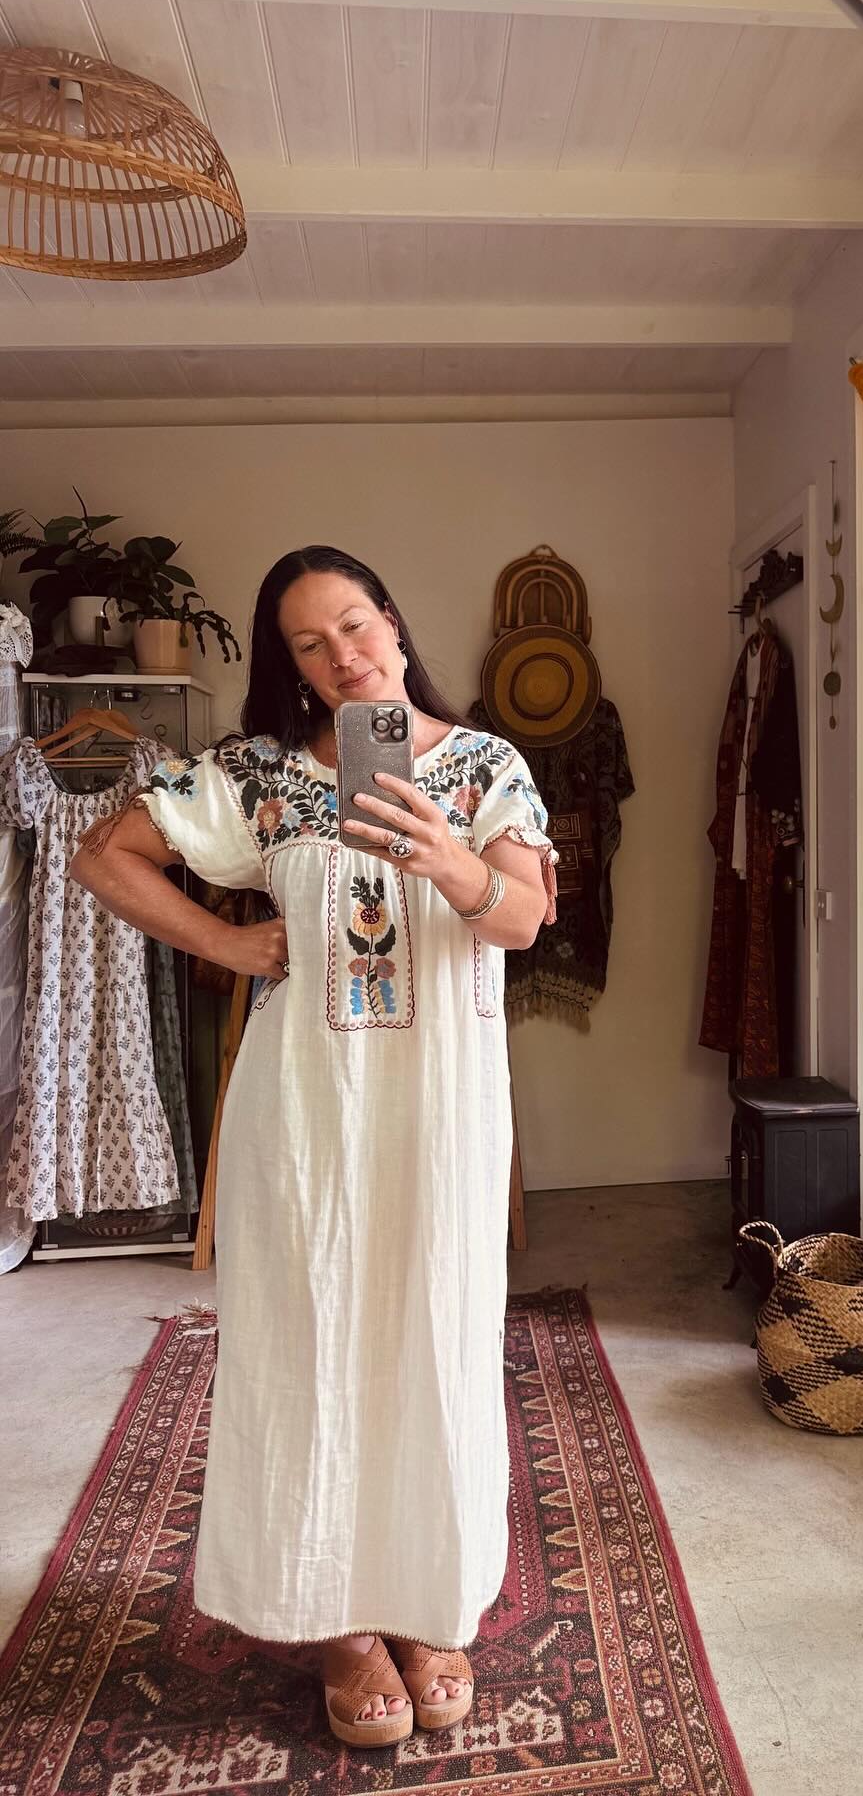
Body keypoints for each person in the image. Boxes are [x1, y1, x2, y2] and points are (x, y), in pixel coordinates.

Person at [70, 545, 558, 1748]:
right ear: (292, 668)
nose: (343, 654)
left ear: (392, 624)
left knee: (435, 1342)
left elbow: (527, 917)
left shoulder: (488, 763)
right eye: (308, 642)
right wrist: (228, 946)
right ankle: (339, 1619)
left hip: (444, 1112)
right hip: (307, 1117)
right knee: (312, 1345)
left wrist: (444, 856)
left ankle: (430, 1604)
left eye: (355, 625)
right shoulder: (254, 774)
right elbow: (104, 855)